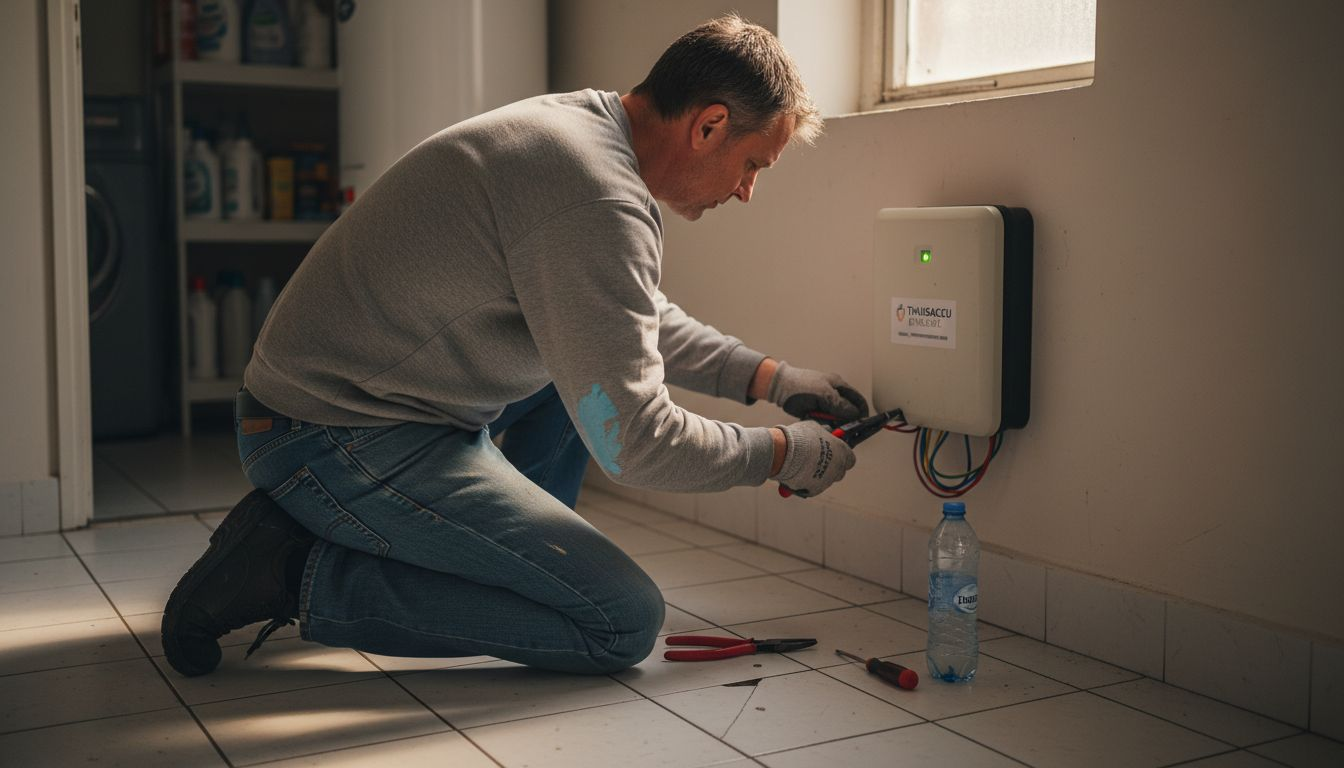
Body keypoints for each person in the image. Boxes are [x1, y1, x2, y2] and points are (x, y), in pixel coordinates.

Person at [162, 14, 867, 678]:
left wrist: (771, 378)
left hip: (354, 407)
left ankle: (492, 563)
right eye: (753, 164)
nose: (746, 191)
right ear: (709, 125)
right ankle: (292, 572)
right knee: (619, 622)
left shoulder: (584, 130)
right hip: (330, 434)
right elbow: (636, 442)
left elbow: (620, 317)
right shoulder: (595, 196)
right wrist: (783, 453)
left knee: (582, 374)